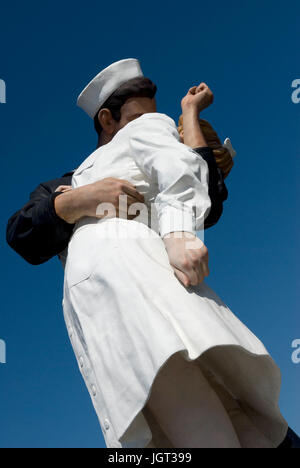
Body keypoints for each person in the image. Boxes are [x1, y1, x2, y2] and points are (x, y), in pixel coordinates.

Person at [61, 58, 290, 449]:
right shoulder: (88, 169)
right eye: (139, 113)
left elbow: (180, 171)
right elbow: (25, 228)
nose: (155, 120)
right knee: (193, 401)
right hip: (114, 280)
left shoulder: (131, 138)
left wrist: (180, 231)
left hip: (122, 275)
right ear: (106, 119)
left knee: (179, 392)